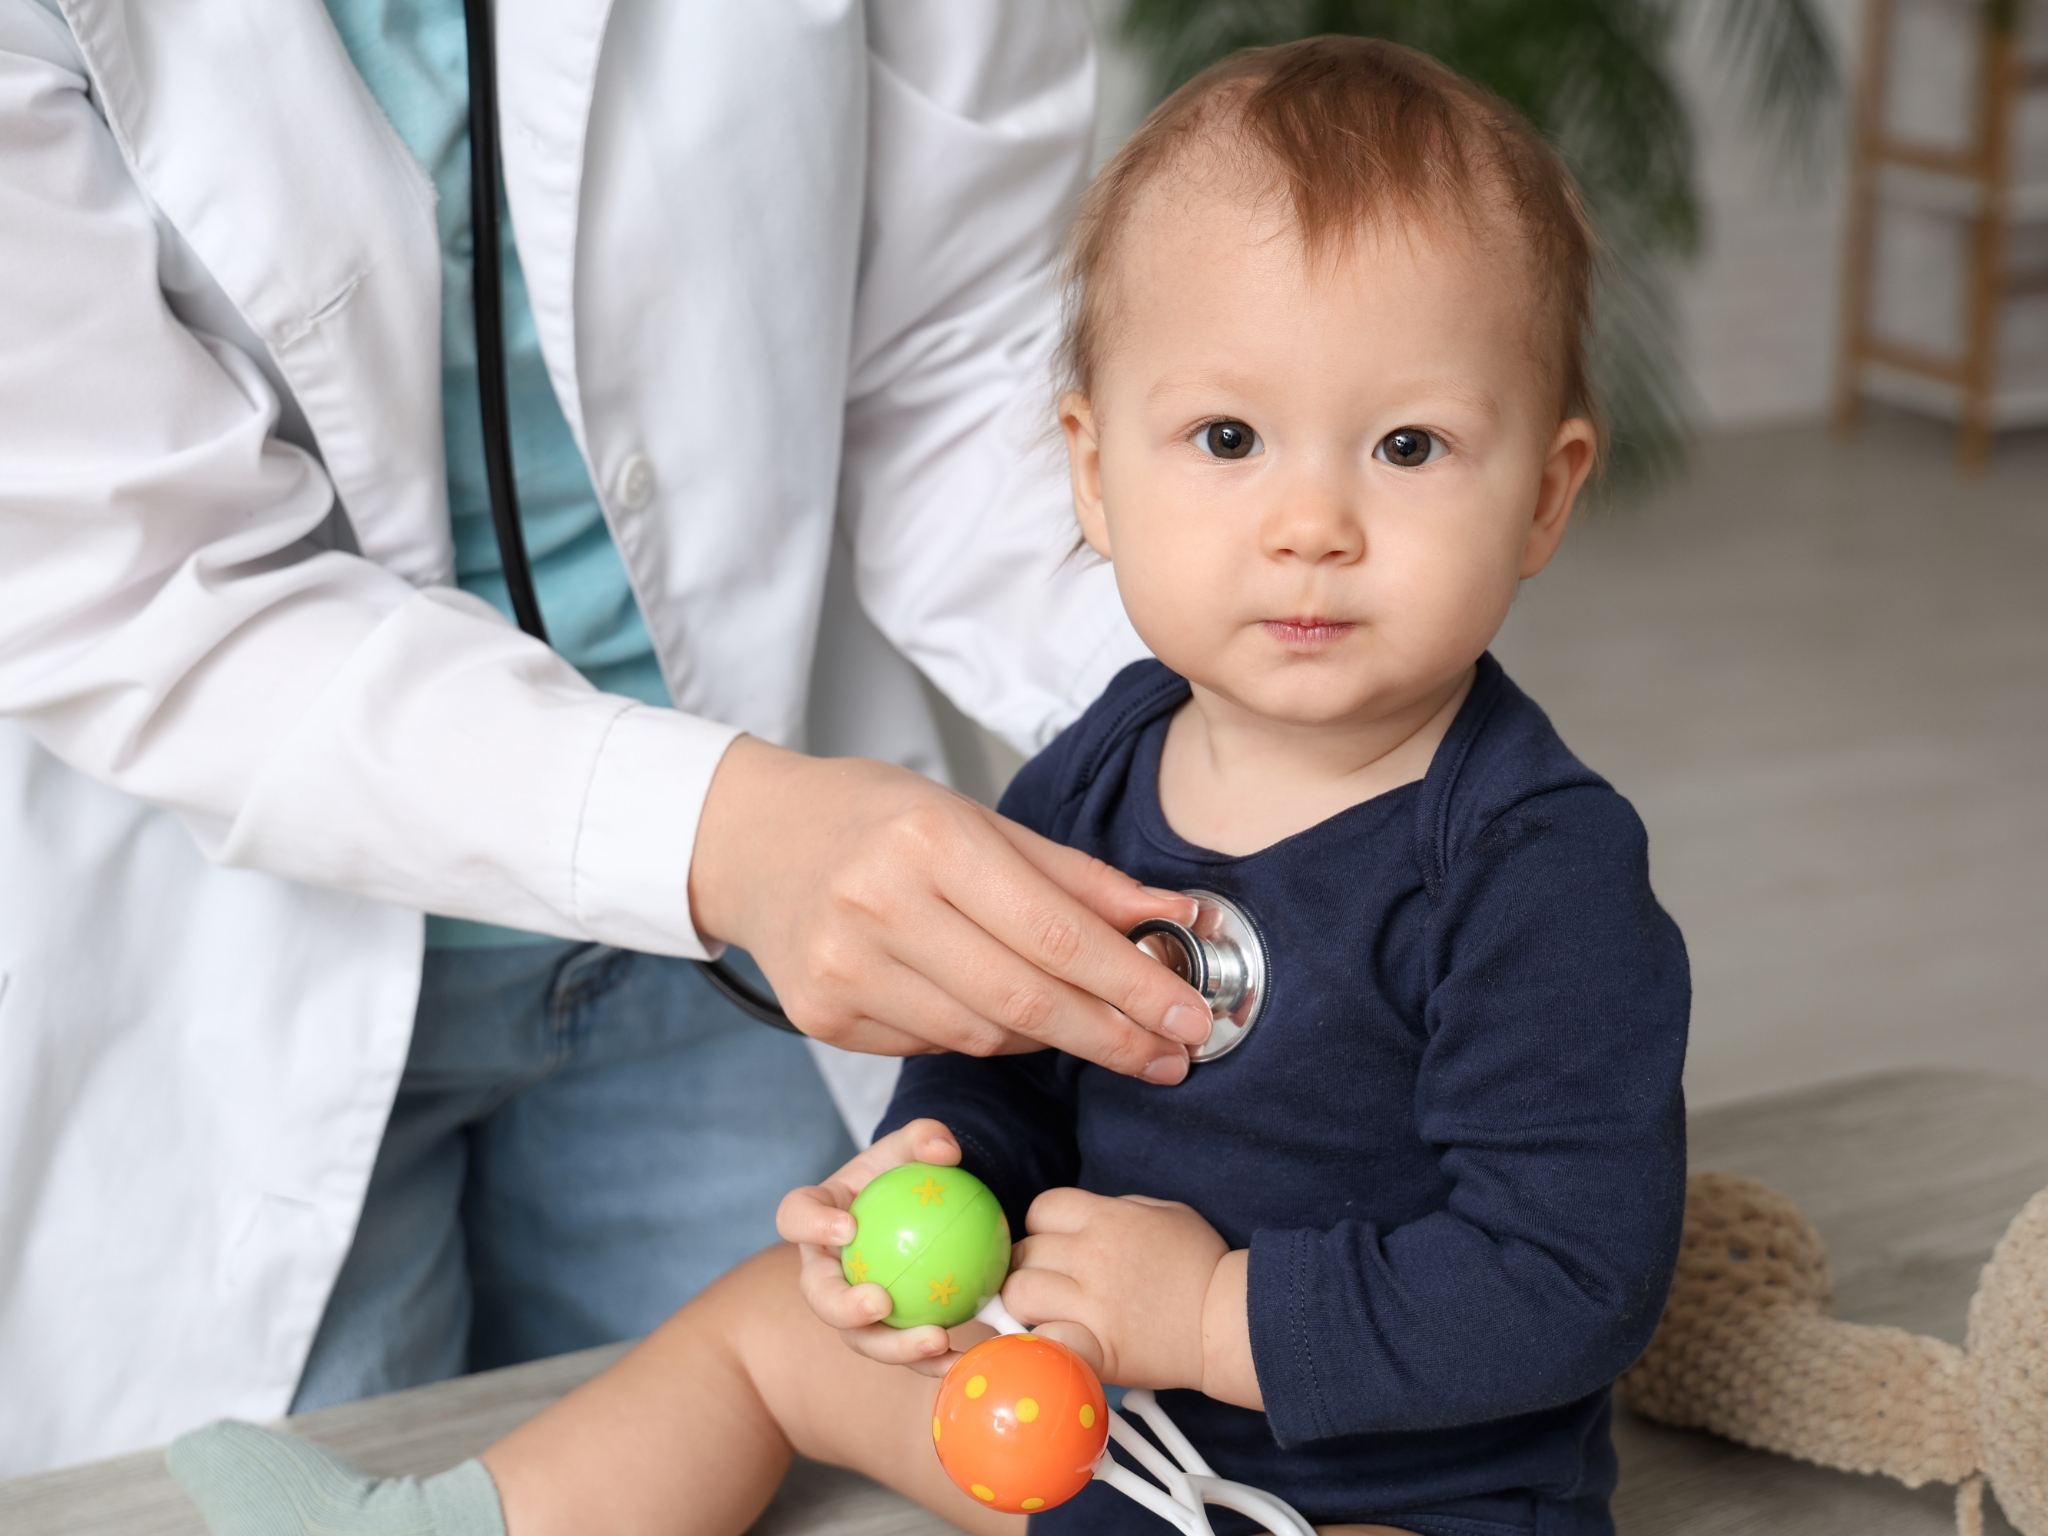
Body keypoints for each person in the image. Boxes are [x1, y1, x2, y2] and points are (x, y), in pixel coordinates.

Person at [167, 33, 1692, 1536]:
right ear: (1091, 473)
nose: (1311, 522)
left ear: (1547, 493)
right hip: (1079, 1424)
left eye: (1408, 446)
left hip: (1386, 1494)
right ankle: (451, 1523)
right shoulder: (1101, 762)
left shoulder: (1532, 868)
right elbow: (1004, 1060)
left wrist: (1218, 1319)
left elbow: (1569, 1281)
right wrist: (937, 1168)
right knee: (770, 1326)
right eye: (1227, 437)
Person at [0, 0, 1217, 1478]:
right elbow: (144, 580)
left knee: (855, 1437)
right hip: (233, 937)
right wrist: (726, 834)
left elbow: (957, 350)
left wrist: (1258, 722)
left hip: (754, 934)